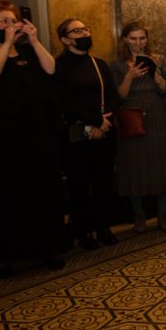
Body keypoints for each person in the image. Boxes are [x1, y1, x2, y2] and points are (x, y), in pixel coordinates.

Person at [0, 0, 65, 276]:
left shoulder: (28, 53)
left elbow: (51, 69)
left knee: (43, 194)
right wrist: (6, 44)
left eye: (12, 20)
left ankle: (50, 248)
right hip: (0, 142)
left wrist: (34, 40)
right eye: (3, 21)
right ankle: (7, 256)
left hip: (37, 138)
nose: (10, 25)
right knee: (5, 198)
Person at [55, 17, 121, 250]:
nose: (84, 33)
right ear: (65, 39)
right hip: (76, 135)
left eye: (85, 29)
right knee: (79, 186)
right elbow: (63, 103)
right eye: (77, 31)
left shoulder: (98, 64)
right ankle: (82, 230)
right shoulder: (59, 66)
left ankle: (103, 226)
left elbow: (114, 96)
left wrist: (103, 123)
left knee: (103, 182)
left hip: (104, 131)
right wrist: (94, 121)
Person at [110, 21, 166, 233]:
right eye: (133, 38)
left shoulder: (159, 59)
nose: (138, 43)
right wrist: (129, 77)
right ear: (125, 39)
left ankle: (162, 214)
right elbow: (117, 97)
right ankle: (139, 215)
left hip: (157, 118)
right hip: (131, 120)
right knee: (134, 169)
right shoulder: (117, 65)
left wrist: (157, 78)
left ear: (147, 40)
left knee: (161, 168)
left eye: (142, 38)